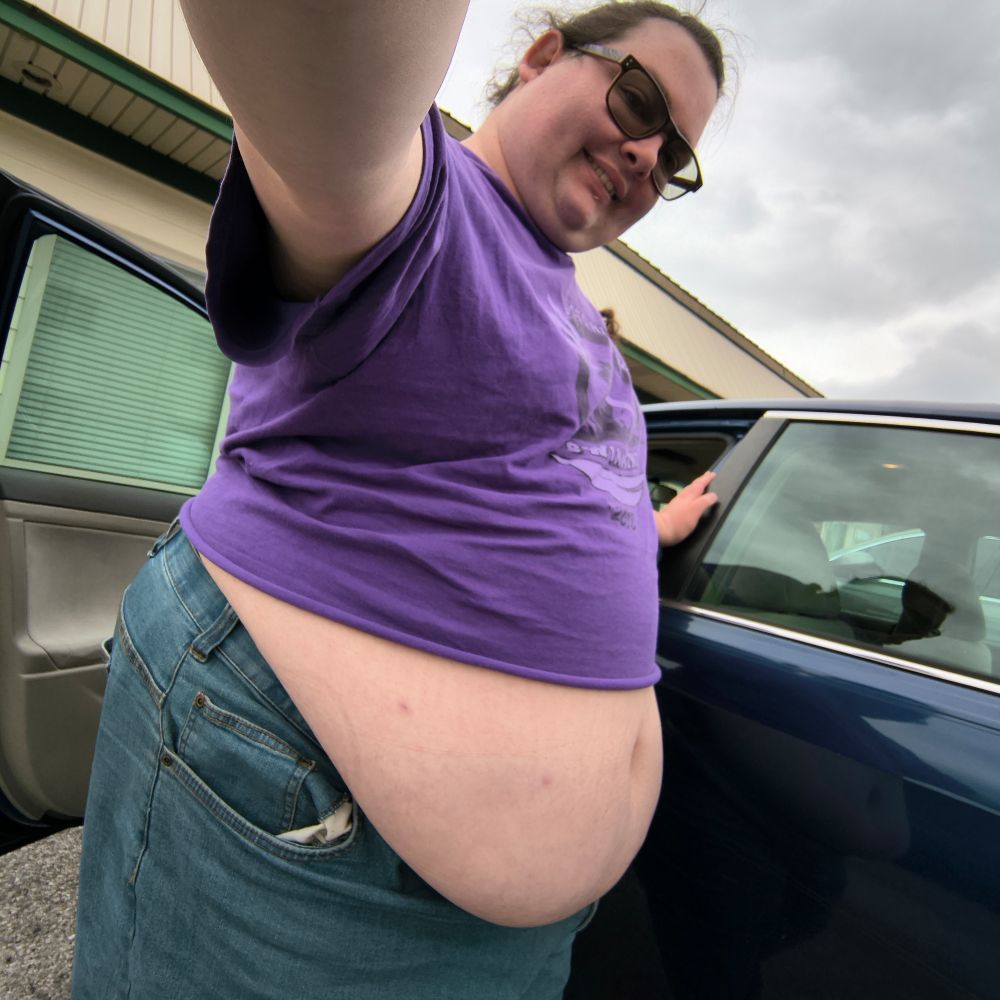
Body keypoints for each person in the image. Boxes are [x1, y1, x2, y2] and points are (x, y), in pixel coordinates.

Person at [71, 2, 723, 997]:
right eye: (639, 100)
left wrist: (652, 526)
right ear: (543, 55)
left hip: (514, 932)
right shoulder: (426, 206)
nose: (646, 156)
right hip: (317, 865)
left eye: (675, 157)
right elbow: (321, 52)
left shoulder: (570, 305)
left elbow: (558, 495)